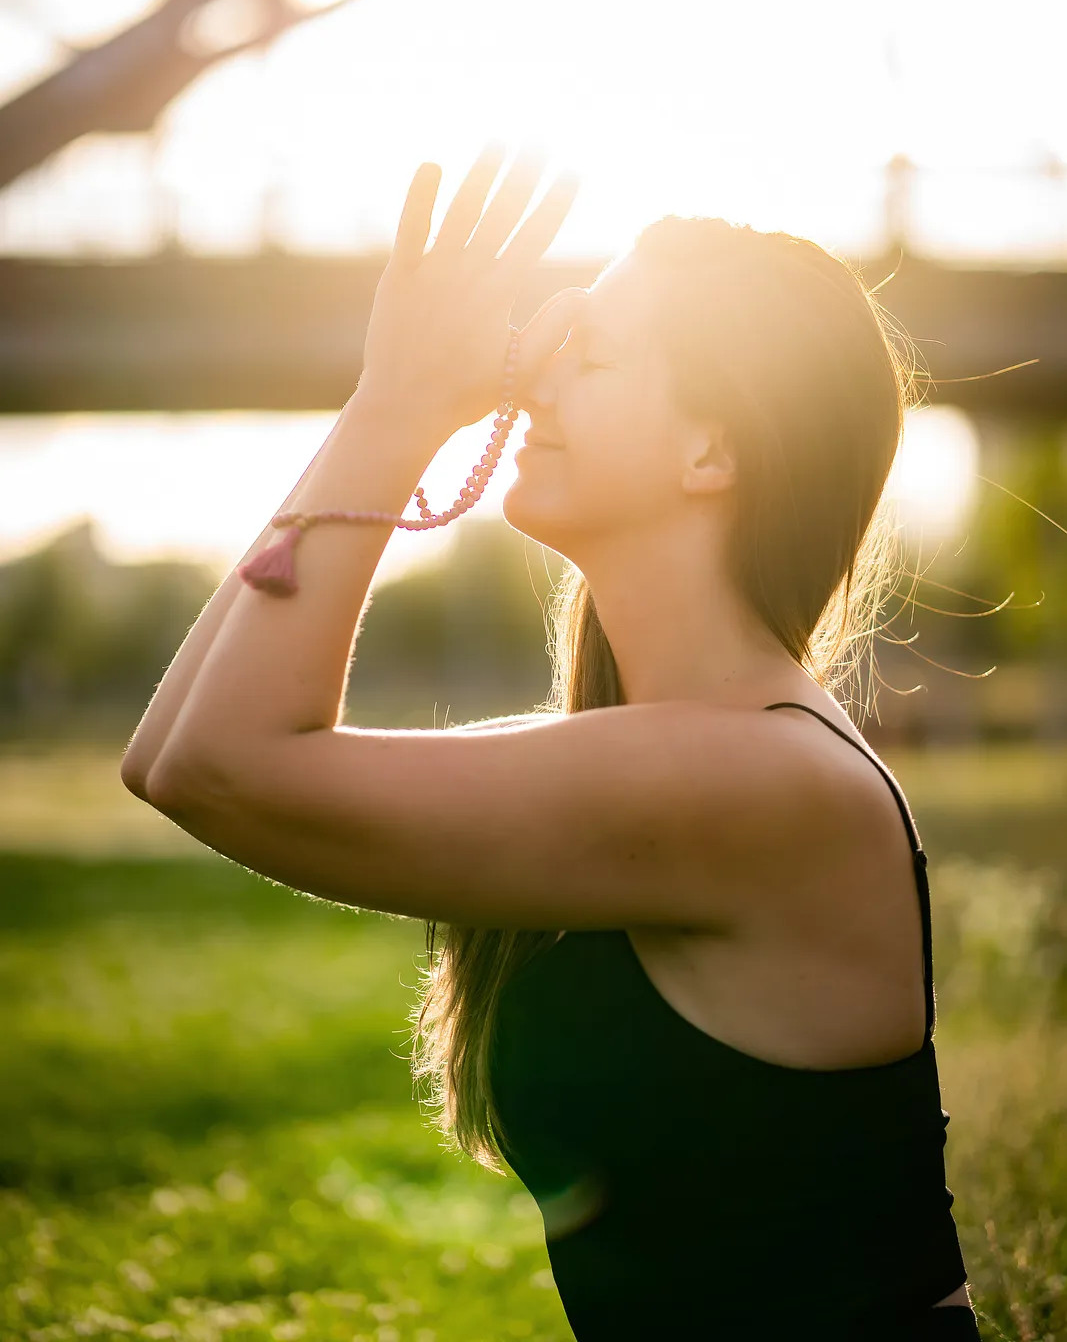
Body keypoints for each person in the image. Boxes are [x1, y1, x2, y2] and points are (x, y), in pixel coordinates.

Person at [122, 144, 980, 1340]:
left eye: (594, 349)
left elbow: (222, 762)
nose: (531, 379)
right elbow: (166, 756)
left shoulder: (757, 780)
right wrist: (388, 404)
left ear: (709, 453)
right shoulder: (682, 754)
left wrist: (396, 406)